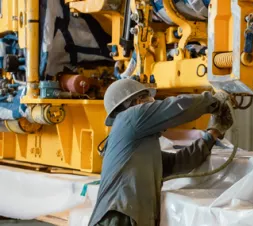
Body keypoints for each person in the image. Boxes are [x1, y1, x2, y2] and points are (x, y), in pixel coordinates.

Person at [88, 79, 234, 226]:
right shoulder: (131, 118)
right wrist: (214, 102)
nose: (153, 104)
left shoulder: (136, 146)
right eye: (151, 100)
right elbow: (178, 107)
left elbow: (179, 163)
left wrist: (214, 132)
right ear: (138, 102)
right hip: (118, 218)